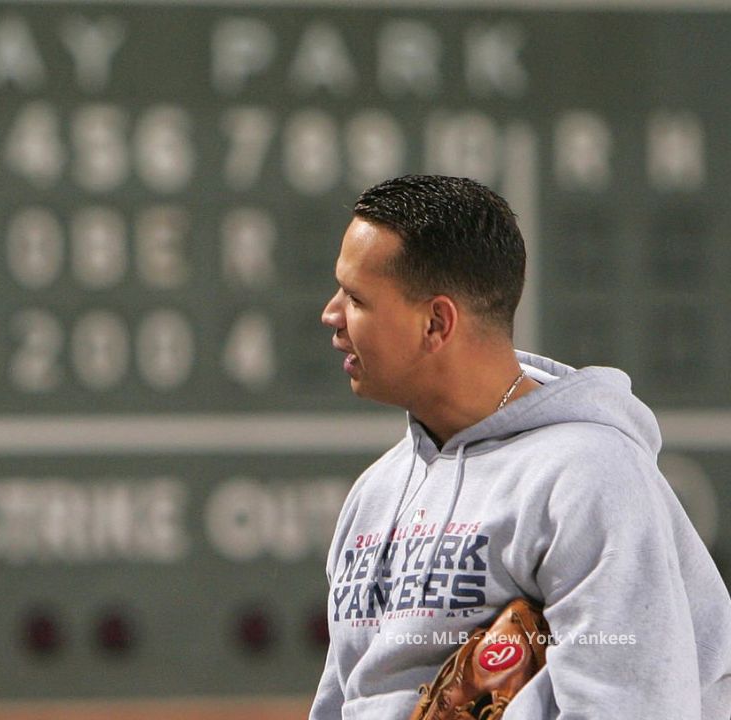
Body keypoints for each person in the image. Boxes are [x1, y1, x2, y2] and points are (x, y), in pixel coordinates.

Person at [310, 175, 731, 718]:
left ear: (436, 322)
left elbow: (632, 702)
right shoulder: (376, 493)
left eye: (357, 298)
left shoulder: (589, 477)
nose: (331, 313)